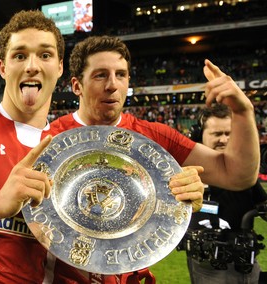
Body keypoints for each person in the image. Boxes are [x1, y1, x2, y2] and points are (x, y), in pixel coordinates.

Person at [0, 11, 203, 284]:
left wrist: (173, 198)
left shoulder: (76, 153)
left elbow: (108, 245)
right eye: (19, 55)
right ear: (2, 67)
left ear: (59, 69)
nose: (31, 66)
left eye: (44, 55)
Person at [47, 35, 261, 282]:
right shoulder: (49, 139)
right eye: (100, 75)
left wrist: (243, 111)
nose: (113, 85)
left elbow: (236, 175)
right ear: (77, 86)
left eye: (121, 75)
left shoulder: (154, 136)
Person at [183, 103, 267, 284]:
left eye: (229, 133)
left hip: (245, 266)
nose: (224, 139)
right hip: (207, 268)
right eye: (217, 134)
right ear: (199, 136)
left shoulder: (245, 175)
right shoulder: (187, 173)